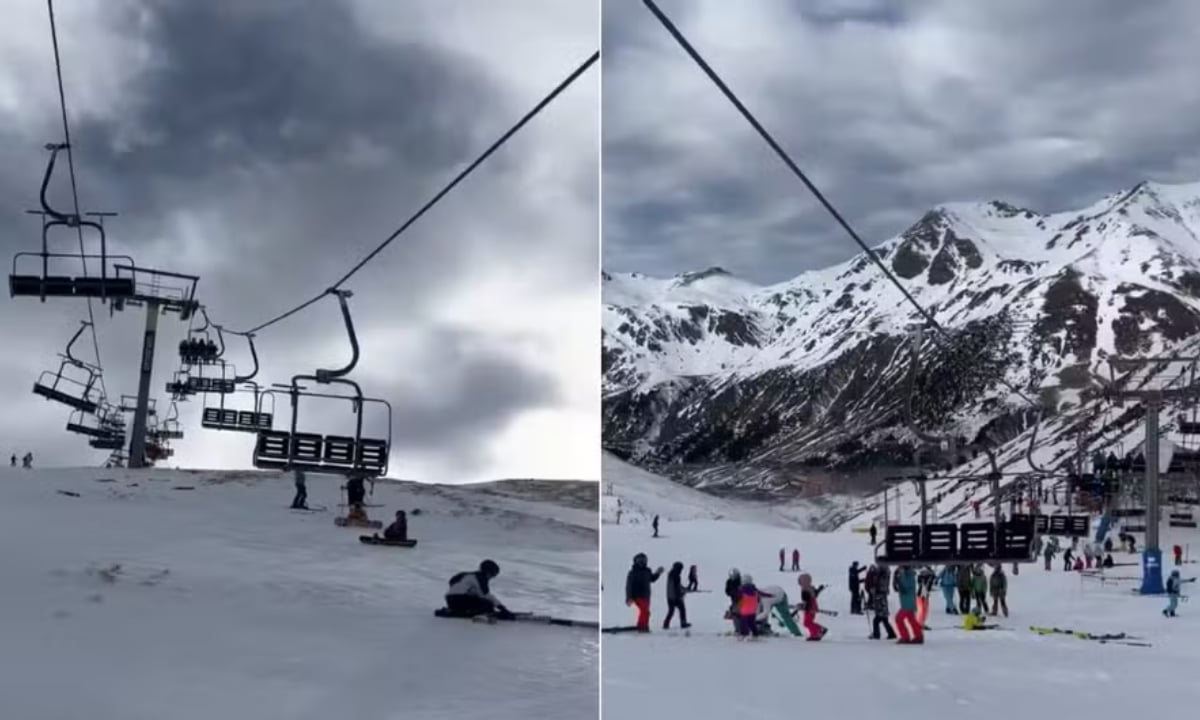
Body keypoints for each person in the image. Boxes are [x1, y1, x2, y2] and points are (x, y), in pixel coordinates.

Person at [440, 559, 513, 619]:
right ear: (488, 572)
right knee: (487, 605)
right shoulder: (480, 578)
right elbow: (486, 595)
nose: (492, 577)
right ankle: (459, 613)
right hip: (460, 599)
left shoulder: (468, 575)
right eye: (493, 575)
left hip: (449, 599)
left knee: (477, 601)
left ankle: (456, 611)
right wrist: (502, 608)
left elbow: (452, 581)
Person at [625, 552, 664, 632]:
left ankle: (644, 626)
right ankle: (641, 627)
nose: (642, 562)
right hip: (637, 596)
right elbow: (629, 586)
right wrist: (629, 598)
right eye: (640, 560)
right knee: (645, 611)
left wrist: (658, 573)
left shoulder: (647, 571)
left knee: (646, 612)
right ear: (636, 561)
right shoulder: (633, 573)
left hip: (646, 595)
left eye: (644, 560)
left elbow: (652, 579)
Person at [894, 566, 923, 644]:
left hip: (908, 603)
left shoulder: (909, 575)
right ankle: (918, 636)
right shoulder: (908, 574)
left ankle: (905, 637)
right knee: (911, 619)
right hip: (907, 602)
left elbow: (906, 587)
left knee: (898, 618)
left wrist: (901, 575)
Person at [867, 564, 896, 640]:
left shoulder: (881, 574)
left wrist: (874, 588)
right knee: (884, 619)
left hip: (879, 595)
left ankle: (877, 634)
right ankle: (891, 633)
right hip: (883, 594)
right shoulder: (886, 573)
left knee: (877, 620)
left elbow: (877, 582)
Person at [797, 573, 827, 641]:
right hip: (813, 606)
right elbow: (814, 595)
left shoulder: (804, 590)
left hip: (810, 608)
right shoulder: (810, 587)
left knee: (807, 622)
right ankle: (815, 633)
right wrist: (819, 589)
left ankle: (819, 630)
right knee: (808, 622)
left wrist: (803, 606)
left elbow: (807, 601)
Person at [663, 562, 690, 630]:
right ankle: (682, 623)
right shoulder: (675, 575)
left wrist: (684, 589)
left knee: (673, 611)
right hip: (674, 597)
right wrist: (682, 592)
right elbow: (676, 587)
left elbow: (678, 586)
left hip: (671, 597)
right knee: (680, 609)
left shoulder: (672, 574)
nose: (681, 570)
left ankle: (666, 624)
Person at [733, 573, 760, 638]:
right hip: (753, 610)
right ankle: (755, 634)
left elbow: (739, 599)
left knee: (743, 623)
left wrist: (736, 608)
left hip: (744, 610)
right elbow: (758, 599)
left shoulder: (741, 590)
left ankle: (744, 634)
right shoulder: (755, 590)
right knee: (752, 622)